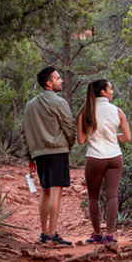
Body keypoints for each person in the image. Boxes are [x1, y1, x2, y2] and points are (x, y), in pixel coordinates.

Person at [22, 66, 76, 246]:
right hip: (57, 151)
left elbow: (25, 133)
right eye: (58, 78)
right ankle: (53, 235)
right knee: (56, 193)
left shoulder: (30, 105)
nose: (61, 81)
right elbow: (69, 127)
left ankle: (44, 234)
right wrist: (69, 146)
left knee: (44, 191)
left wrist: (29, 157)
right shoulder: (59, 102)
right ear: (49, 83)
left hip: (38, 154)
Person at [77, 79, 131, 244]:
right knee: (112, 195)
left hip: (95, 158)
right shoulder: (117, 111)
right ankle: (110, 235)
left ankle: (97, 234)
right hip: (115, 157)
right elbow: (127, 138)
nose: (112, 91)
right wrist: (111, 137)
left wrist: (96, 136)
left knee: (93, 197)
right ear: (103, 92)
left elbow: (80, 140)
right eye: (110, 88)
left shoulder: (84, 112)